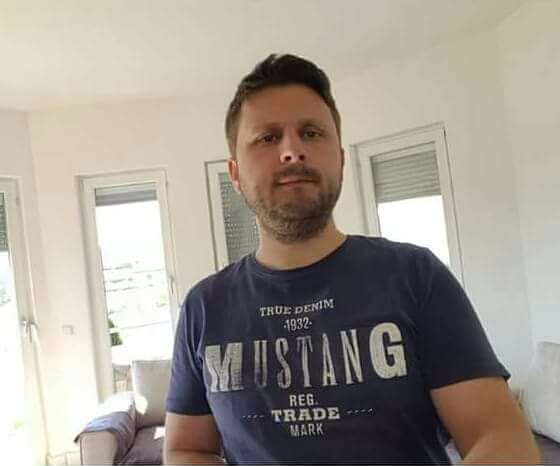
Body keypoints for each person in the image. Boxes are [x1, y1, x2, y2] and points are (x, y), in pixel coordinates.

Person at [164, 54, 539, 464]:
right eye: (268, 138)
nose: (292, 151)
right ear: (234, 174)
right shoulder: (204, 307)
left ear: (341, 160)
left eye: (311, 133)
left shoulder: (416, 276)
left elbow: (502, 437)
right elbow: (186, 448)